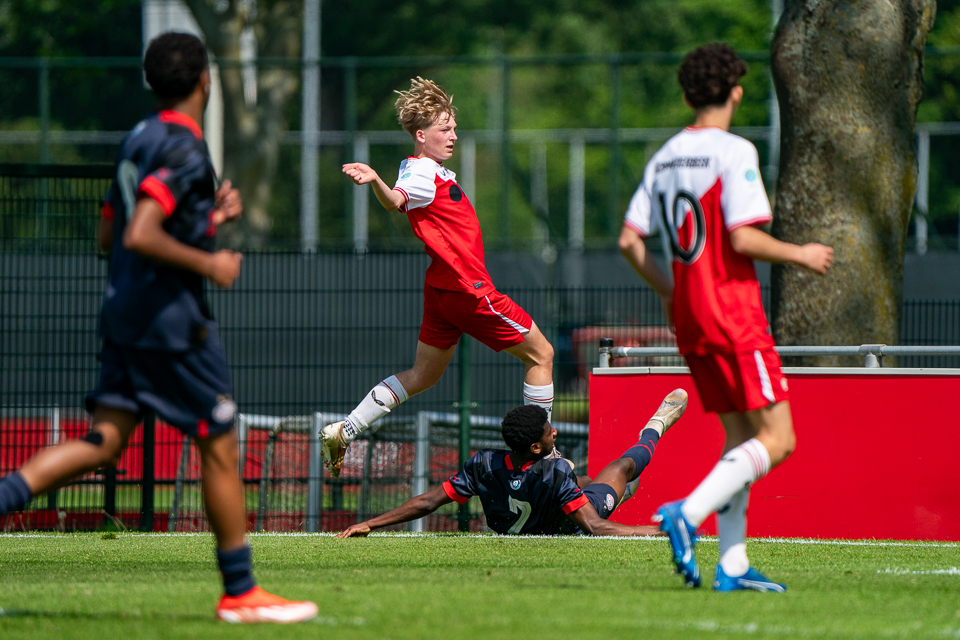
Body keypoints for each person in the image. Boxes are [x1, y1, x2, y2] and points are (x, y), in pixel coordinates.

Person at [0, 33, 317, 623]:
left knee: (104, 442)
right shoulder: (185, 147)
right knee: (219, 441)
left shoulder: (140, 138)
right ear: (205, 80)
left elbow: (108, 235)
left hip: (124, 312)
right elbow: (140, 233)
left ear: (152, 82)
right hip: (170, 323)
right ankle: (241, 592)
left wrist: (207, 218)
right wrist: (211, 263)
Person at [618, 43, 833, 592]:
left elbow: (629, 240)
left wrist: (671, 291)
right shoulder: (734, 151)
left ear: (688, 95)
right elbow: (742, 237)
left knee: (739, 437)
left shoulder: (666, 156)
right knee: (779, 439)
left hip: (691, 318)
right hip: (733, 314)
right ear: (735, 92)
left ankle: (732, 564)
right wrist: (802, 253)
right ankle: (686, 514)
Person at [326, 77, 555, 478]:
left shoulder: (425, 169)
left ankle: (344, 431)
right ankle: (541, 457)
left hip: (442, 292)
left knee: (423, 376)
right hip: (469, 290)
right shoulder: (420, 174)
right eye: (444, 129)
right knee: (542, 355)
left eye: (453, 127)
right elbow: (396, 200)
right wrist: (376, 180)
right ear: (421, 135)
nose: (453, 136)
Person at [336, 389, 688, 537]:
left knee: (581, 478)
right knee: (623, 469)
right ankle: (654, 428)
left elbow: (428, 501)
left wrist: (370, 523)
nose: (555, 433)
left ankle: (591, 483)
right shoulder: (555, 472)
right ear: (535, 446)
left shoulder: (483, 464)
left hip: (539, 507)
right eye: (549, 433)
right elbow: (595, 527)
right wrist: (661, 531)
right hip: (574, 524)